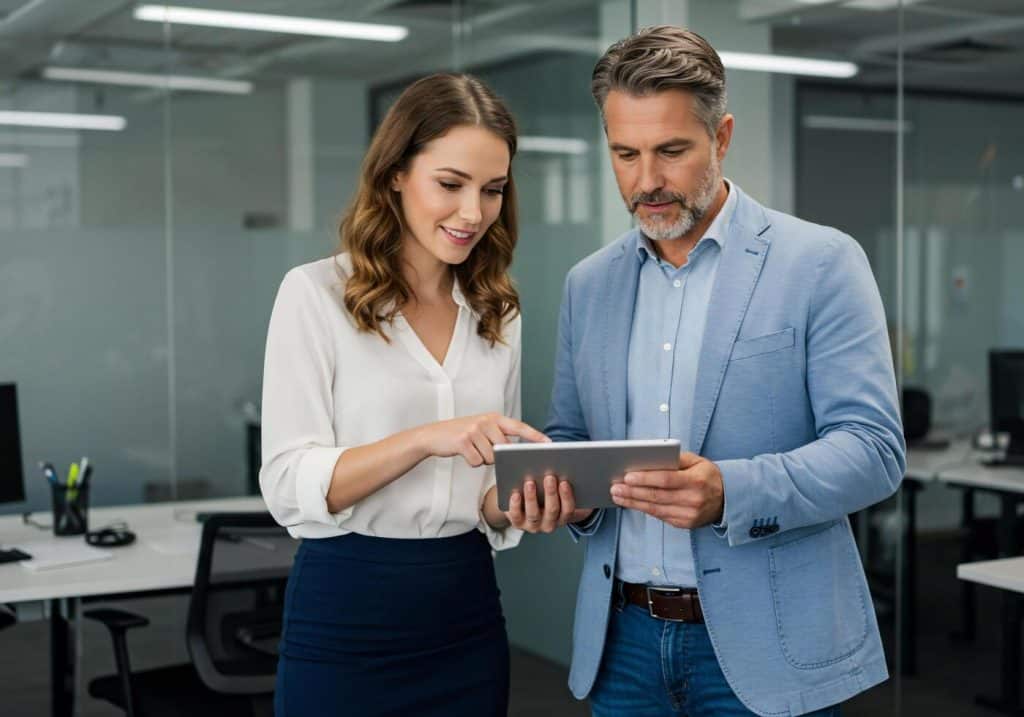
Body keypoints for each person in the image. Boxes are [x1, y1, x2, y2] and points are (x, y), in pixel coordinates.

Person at [542, 26, 907, 716]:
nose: (646, 180)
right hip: (623, 647)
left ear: (722, 137)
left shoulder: (820, 262)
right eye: (625, 154)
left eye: (671, 150)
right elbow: (571, 437)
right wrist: (569, 497)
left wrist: (731, 492)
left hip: (769, 647)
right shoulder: (588, 284)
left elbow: (874, 451)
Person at [259, 73, 574, 717]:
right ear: (396, 174)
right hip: (348, 613)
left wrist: (524, 502)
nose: (473, 213)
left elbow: (483, 496)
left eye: (492, 190)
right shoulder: (315, 295)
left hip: (465, 613)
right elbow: (288, 483)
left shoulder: (498, 312)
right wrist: (426, 439)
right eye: (450, 184)